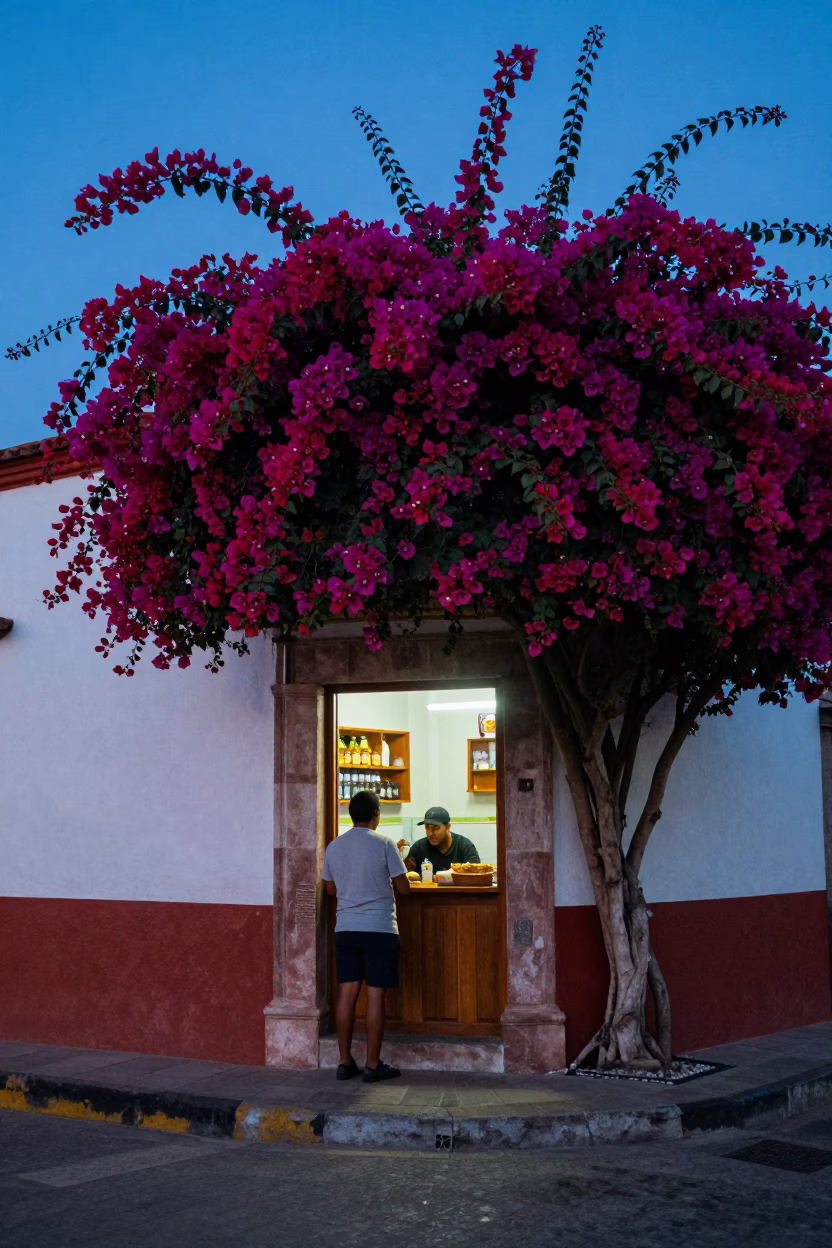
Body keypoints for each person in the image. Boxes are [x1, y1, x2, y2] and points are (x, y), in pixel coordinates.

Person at [322, 789, 410, 1083]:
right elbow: (404, 888)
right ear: (376, 815)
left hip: (345, 929)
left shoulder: (334, 846)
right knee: (375, 997)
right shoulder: (385, 844)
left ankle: (344, 1062)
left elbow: (330, 889)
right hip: (380, 930)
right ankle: (373, 1065)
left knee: (347, 995)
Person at [404, 806, 480, 874]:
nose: (430, 833)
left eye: (436, 827)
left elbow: (476, 876)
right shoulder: (419, 848)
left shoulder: (465, 847)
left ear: (448, 827)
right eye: (427, 827)